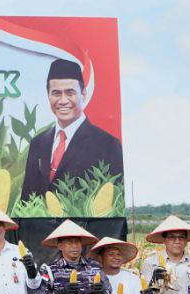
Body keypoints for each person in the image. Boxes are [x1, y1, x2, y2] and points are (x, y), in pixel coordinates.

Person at [19, 59, 124, 203]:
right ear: (48, 95)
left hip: (82, 226)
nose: (63, 100)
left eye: (70, 93)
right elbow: (26, 200)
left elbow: (114, 201)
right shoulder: (38, 143)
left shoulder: (107, 144)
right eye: (56, 93)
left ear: (83, 94)